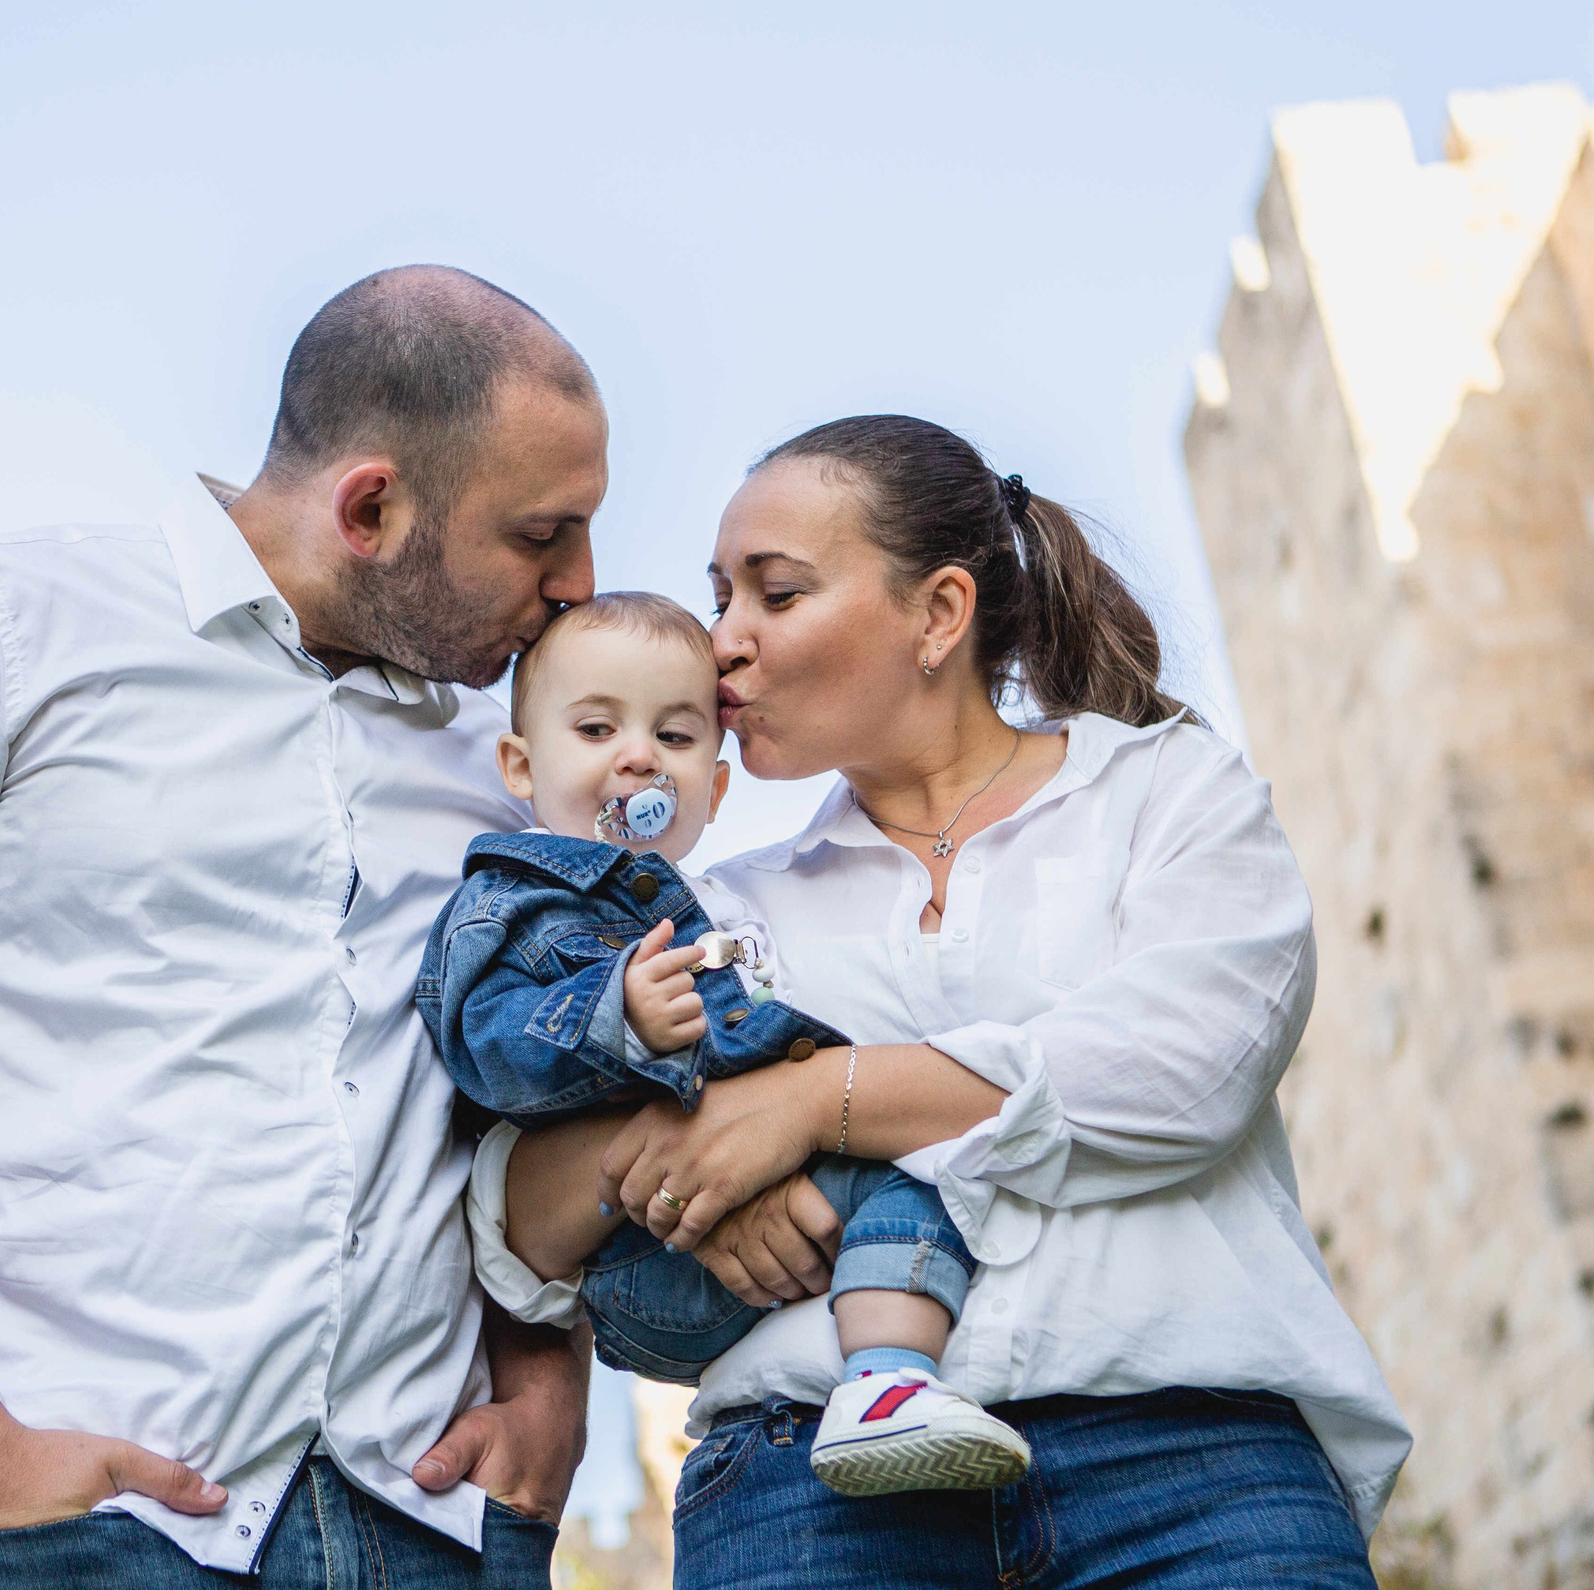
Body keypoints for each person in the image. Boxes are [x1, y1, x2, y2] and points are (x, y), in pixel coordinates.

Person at [0, 265, 607, 1589]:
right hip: (79, 1531)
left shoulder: (512, 755)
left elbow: (539, 1062)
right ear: (371, 506)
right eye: (542, 533)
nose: (579, 583)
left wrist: (549, 1385)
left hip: (435, 1530)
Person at [472, 416, 1413, 1588]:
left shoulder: (1167, 791)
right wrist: (688, 1144)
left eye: (774, 595)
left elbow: (1179, 1072)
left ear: (938, 614)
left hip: (1196, 1470)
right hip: (801, 1494)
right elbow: (515, 1215)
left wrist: (814, 1102)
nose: (722, 645)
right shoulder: (712, 907)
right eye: (719, 601)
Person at [418, 591, 1029, 1495]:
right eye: (595, 729)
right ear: (519, 763)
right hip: (642, 1266)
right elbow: (481, 1045)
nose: (638, 756)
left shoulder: (729, 909)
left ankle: (889, 1382)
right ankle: (888, 1377)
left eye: (675, 738)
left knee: (907, 1169)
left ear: (716, 779)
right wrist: (610, 1013)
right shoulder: (510, 901)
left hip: (762, 1251)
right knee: (906, 1173)